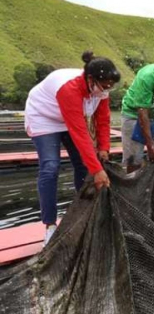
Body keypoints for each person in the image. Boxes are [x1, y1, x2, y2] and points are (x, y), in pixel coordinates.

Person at [24, 51, 121, 245]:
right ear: (90, 79)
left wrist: (104, 148)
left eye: (110, 87)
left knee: (83, 166)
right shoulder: (69, 89)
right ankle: (50, 226)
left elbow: (103, 120)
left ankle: (85, 212)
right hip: (43, 117)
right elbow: (79, 133)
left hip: (68, 118)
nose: (106, 91)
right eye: (104, 86)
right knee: (50, 167)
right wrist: (98, 171)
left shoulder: (101, 90)